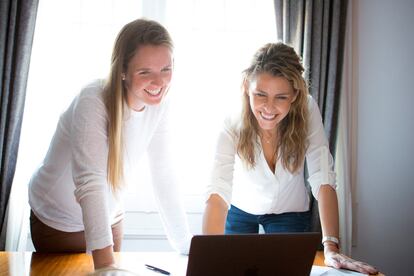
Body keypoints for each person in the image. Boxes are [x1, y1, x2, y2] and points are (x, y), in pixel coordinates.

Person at [28, 18, 192, 270]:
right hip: (60, 221)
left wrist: (187, 247)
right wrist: (106, 267)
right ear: (123, 71)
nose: (159, 83)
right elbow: (90, 181)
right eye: (145, 72)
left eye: (166, 69)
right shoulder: (92, 100)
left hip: (110, 216)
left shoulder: (160, 106)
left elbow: (164, 174)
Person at [202, 42, 379, 275]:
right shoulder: (232, 119)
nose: (269, 107)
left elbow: (322, 174)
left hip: (289, 211)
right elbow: (218, 188)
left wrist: (331, 247)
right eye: (260, 94)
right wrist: (207, 259)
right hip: (241, 208)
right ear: (247, 87)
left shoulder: (307, 109)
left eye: (281, 97)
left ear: (295, 94)